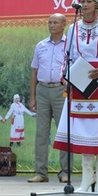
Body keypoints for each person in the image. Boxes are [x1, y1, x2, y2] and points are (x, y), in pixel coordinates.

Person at [53, 0, 98, 193]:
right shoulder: (73, 28)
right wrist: (64, 77)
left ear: (97, 5)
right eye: (81, 1)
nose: (84, 5)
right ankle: (86, 178)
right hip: (79, 82)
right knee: (82, 131)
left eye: (88, 1)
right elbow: (66, 56)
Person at [27, 13, 71, 184]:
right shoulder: (41, 45)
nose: (51, 25)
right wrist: (32, 97)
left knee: (64, 133)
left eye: (55, 22)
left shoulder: (70, 45)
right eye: (49, 22)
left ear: (64, 24)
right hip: (42, 90)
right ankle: (41, 172)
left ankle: (65, 172)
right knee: (41, 134)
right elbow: (34, 72)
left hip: (62, 91)